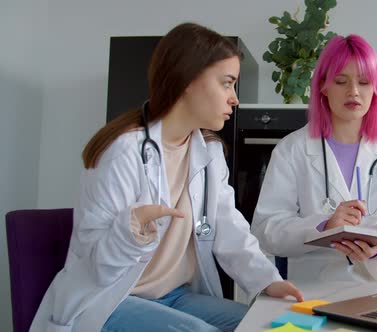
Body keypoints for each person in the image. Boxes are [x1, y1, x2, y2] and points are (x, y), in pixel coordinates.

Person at [30, 22, 303, 332]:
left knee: (265, 325)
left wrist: (268, 282)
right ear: (188, 79)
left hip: (176, 296)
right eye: (227, 83)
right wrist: (130, 233)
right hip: (113, 299)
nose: (234, 98)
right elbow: (95, 264)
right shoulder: (123, 151)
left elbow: (229, 229)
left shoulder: (209, 153)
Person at [251, 34, 377, 284]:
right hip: (314, 285)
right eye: (341, 81)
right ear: (323, 88)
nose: (354, 92)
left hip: (375, 282)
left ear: (376, 89)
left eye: (364, 82)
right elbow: (266, 230)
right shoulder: (292, 149)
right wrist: (324, 226)